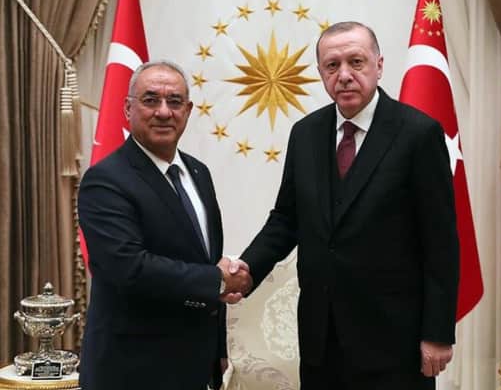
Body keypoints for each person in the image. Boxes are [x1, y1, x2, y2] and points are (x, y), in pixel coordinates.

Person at [239, 22, 459, 389]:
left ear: (379, 65)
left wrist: (437, 333)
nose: (343, 75)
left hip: (395, 342)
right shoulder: (305, 133)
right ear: (321, 72)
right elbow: (286, 219)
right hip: (321, 339)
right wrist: (247, 269)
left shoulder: (419, 134)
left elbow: (441, 242)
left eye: (356, 62)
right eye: (332, 65)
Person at [78, 60, 252, 390]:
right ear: (127, 108)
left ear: (188, 110)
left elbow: (203, 259)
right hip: (132, 369)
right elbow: (128, 268)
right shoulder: (105, 180)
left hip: (195, 364)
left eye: (174, 101)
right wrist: (218, 280)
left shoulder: (198, 173)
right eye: (150, 100)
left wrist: (218, 350)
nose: (163, 111)